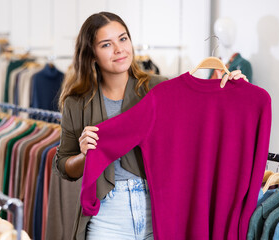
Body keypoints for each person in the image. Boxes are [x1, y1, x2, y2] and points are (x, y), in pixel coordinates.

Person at [53, 11, 248, 240]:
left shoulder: (159, 89)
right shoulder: (77, 103)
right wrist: (85, 155)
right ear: (92, 54)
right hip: (109, 216)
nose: (119, 49)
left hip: (160, 207)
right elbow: (63, 165)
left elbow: (203, 116)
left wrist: (235, 92)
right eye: (107, 44)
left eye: (123, 39)